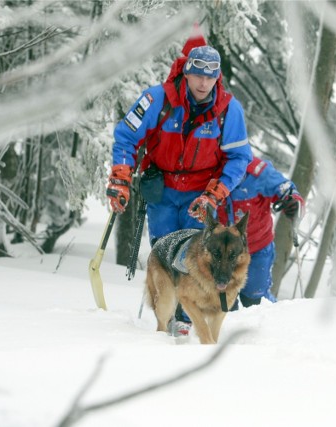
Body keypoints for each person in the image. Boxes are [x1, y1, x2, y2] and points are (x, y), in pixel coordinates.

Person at [107, 31, 253, 245]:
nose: (203, 84)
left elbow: (239, 158)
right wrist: (120, 178)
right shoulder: (156, 99)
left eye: (209, 78)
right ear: (186, 73)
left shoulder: (229, 110)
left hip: (201, 194)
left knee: (192, 261)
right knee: (162, 253)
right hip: (162, 190)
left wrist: (215, 194)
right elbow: (126, 137)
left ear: (217, 77)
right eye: (198, 76)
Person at [173, 156, 305, 334]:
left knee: (255, 297)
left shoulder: (259, 172)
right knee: (205, 288)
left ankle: (275, 326)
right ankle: (185, 321)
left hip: (256, 247)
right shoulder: (207, 167)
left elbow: (286, 189)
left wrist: (293, 202)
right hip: (216, 247)